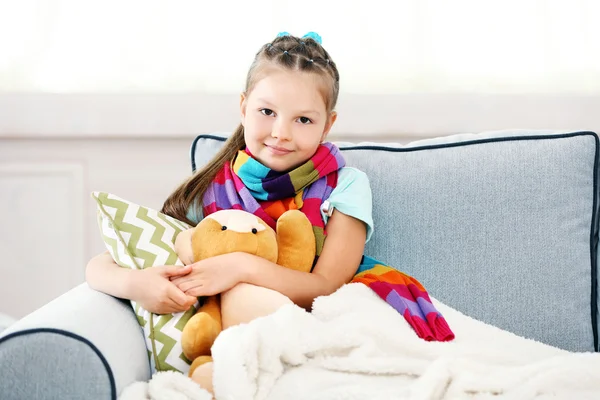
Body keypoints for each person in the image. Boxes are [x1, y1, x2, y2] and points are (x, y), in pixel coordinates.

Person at [85, 32, 374, 395]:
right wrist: (137, 284)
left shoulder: (345, 184)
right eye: (267, 112)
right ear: (243, 107)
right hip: (225, 341)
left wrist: (240, 266)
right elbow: (102, 264)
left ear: (327, 125)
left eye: (303, 120)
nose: (281, 133)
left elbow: (326, 286)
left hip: (306, 334)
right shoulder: (213, 187)